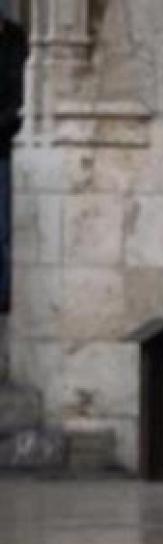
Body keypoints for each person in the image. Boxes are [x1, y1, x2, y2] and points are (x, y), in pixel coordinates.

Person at [0, 10, 29, 315]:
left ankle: (5, 292)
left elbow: (19, 101)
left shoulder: (15, 42)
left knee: (4, 231)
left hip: (4, 147)